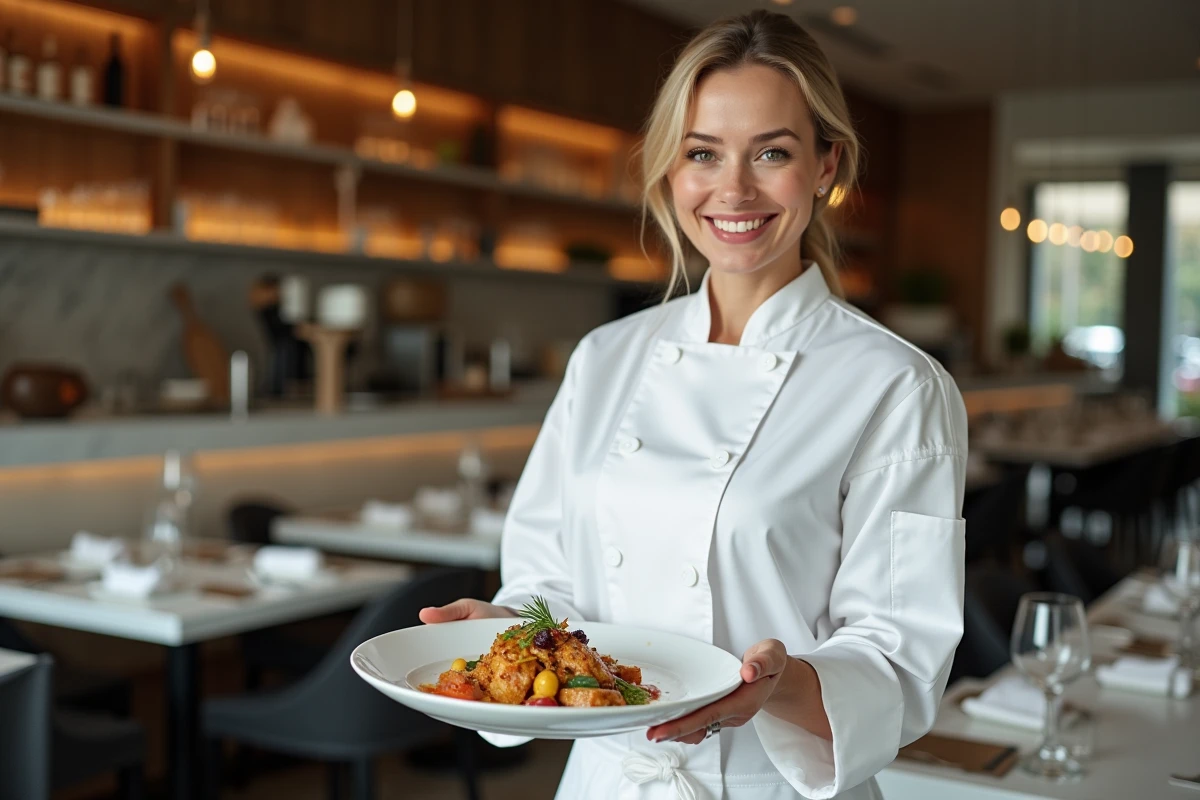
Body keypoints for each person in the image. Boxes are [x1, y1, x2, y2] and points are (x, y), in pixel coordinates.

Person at [420, 9, 967, 799]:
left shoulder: (896, 385)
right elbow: (548, 581)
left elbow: (900, 661)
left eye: (772, 152)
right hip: (608, 780)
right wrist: (508, 631)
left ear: (826, 165)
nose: (733, 189)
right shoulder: (605, 358)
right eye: (703, 153)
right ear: (670, 171)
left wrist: (778, 686)